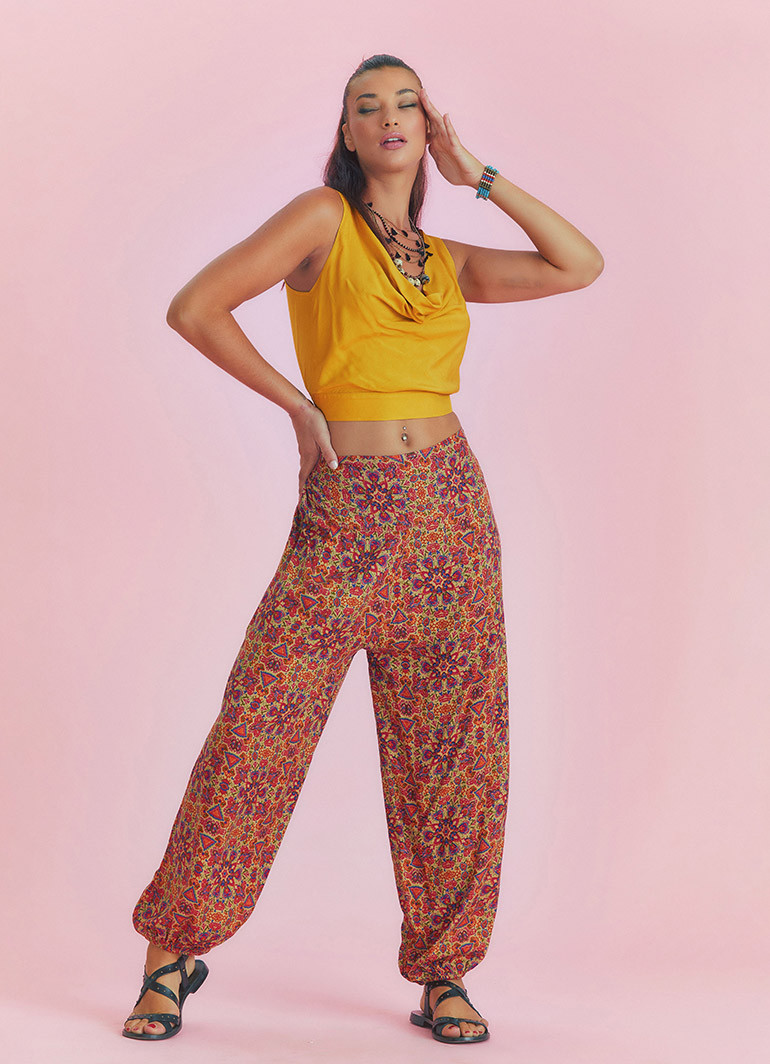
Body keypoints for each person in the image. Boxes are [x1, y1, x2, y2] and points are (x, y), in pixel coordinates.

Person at [122, 53, 604, 1045]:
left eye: (406, 104)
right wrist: (299, 407)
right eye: (366, 106)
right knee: (258, 727)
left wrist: (479, 174)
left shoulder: (449, 260)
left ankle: (445, 970)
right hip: (345, 511)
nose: (388, 117)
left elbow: (578, 264)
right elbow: (194, 307)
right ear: (345, 133)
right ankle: (172, 949)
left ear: (427, 127)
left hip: (450, 512)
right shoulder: (321, 220)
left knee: (455, 751)